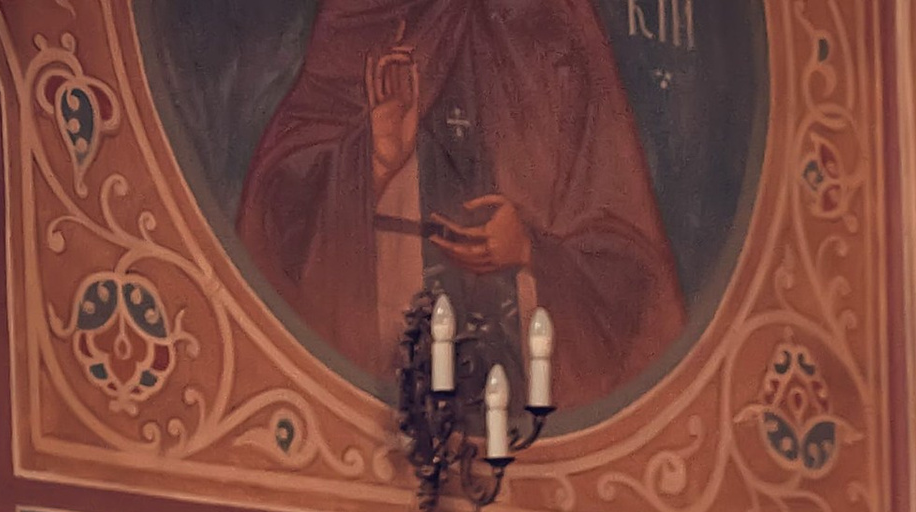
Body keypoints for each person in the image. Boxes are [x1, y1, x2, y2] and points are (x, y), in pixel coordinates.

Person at [236, 0, 686, 404]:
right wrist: (371, 159)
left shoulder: (554, 19)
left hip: (523, 411)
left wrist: (534, 252)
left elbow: (628, 261)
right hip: (374, 404)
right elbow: (277, 215)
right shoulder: (364, 13)